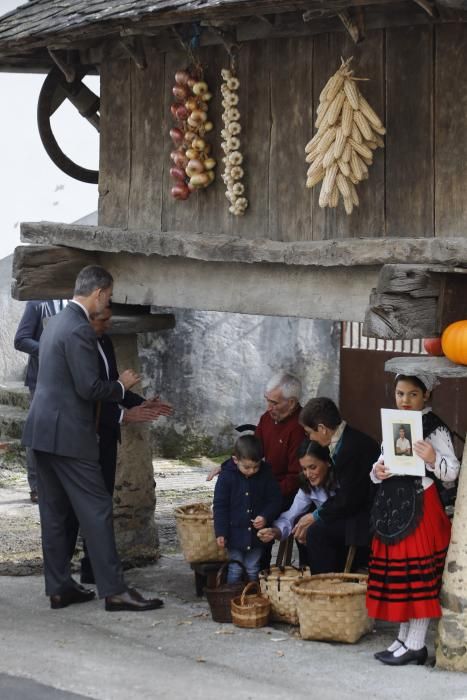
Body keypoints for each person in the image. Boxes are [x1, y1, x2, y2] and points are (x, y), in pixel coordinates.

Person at [22, 265, 163, 612]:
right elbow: (90, 388)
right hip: (69, 434)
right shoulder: (80, 329)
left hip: (41, 430)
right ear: (99, 293)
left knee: (54, 514)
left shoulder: (55, 322)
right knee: (98, 510)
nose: (109, 303)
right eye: (110, 297)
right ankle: (114, 590)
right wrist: (121, 386)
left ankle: (59, 587)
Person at [367, 373, 460, 667]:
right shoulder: (393, 424)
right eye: (400, 394)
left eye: (412, 395)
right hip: (394, 507)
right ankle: (403, 638)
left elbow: (452, 473)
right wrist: (378, 471)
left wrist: (432, 457)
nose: (405, 400)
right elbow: (383, 460)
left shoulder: (435, 428)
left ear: (426, 396)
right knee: (401, 575)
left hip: (421, 506)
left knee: (417, 575)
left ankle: (416, 644)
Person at [79, 306, 173, 584]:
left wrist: (141, 403)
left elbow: (113, 389)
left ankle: (94, 566)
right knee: (92, 506)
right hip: (86, 436)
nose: (108, 324)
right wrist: (123, 415)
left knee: (102, 502)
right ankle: (95, 568)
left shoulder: (104, 341)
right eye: (103, 320)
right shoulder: (79, 347)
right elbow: (86, 397)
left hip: (107, 437)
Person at [295, 397, 380, 573]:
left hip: (367, 518)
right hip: (355, 509)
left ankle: (324, 585)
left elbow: (349, 499)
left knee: (316, 532)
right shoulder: (346, 440)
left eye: (309, 432)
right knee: (308, 527)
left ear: (322, 429)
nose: (310, 437)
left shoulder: (350, 448)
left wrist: (316, 515)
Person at [208, 371, 305, 508]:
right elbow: (252, 450)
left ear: (291, 403)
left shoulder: (300, 427)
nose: (268, 408)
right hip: (264, 483)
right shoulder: (267, 418)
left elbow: (296, 479)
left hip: (286, 496)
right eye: (267, 400)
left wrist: (264, 495)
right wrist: (226, 466)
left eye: (274, 403)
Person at [14, 299, 67, 502]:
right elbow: (21, 339)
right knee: (38, 431)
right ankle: (36, 486)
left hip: (67, 378)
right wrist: (48, 349)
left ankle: (59, 483)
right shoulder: (37, 304)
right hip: (41, 380)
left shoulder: (75, 302)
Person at [213, 434, 282, 583]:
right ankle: (233, 598)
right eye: (247, 467)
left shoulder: (266, 474)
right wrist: (221, 532)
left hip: (257, 535)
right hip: (234, 534)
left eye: (256, 467)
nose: (251, 471)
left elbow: (275, 500)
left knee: (253, 567)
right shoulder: (226, 477)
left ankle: (252, 599)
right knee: (235, 568)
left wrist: (265, 516)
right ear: (235, 459)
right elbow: (220, 506)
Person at [257, 439, 336, 560]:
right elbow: (291, 514)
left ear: (327, 462)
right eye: (304, 469)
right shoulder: (307, 486)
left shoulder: (341, 481)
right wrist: (275, 531)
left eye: (313, 467)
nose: (308, 474)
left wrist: (315, 518)